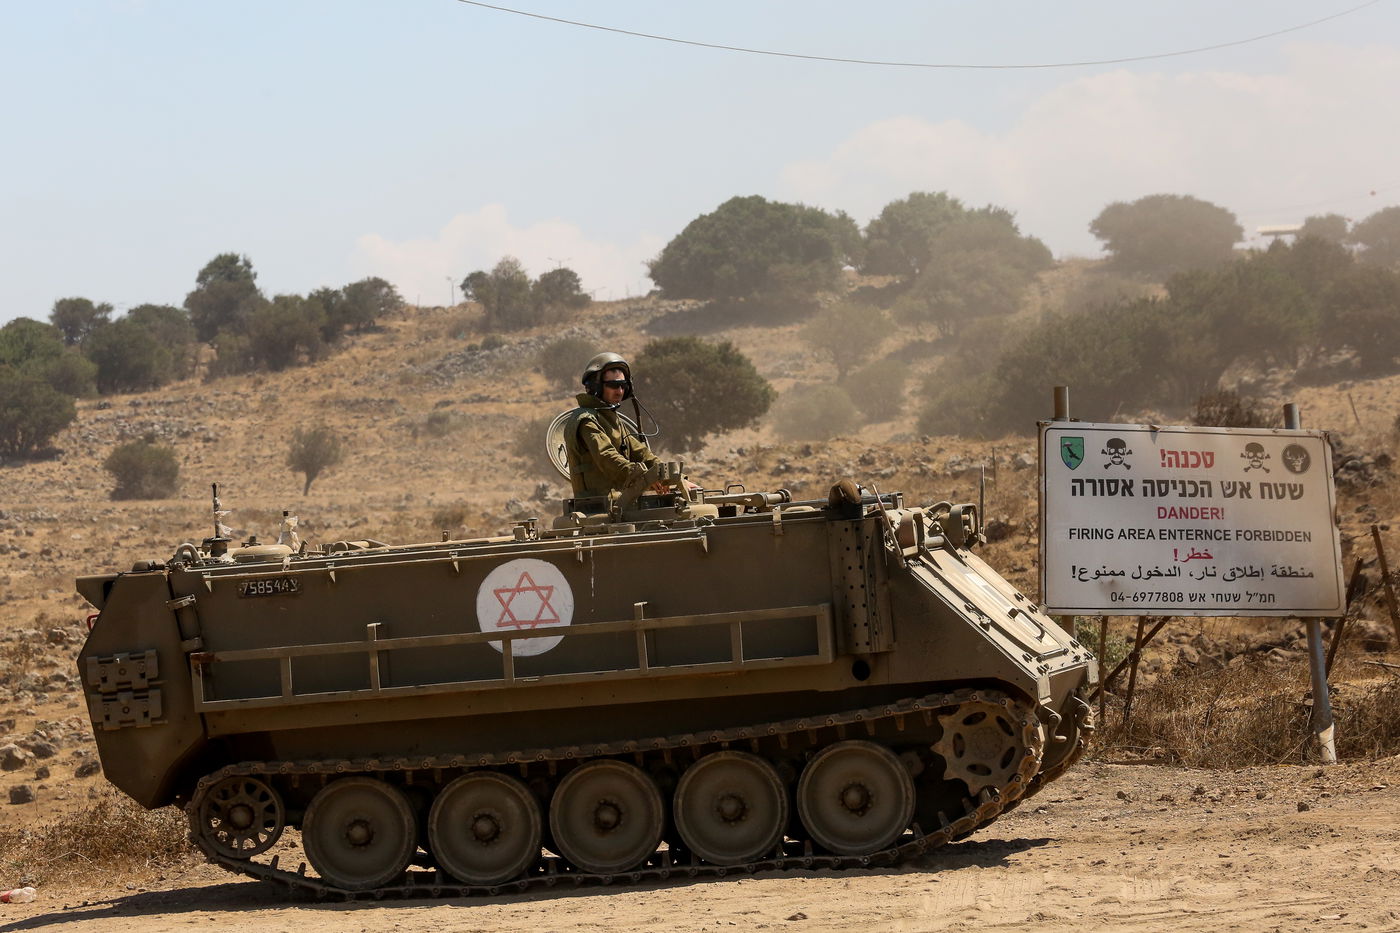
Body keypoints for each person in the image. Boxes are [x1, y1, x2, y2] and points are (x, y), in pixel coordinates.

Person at [562, 352, 660, 498]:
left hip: (623, 502)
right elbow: (607, 457)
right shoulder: (586, 421)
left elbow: (641, 453)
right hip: (597, 506)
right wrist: (645, 477)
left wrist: (668, 475)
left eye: (623, 385)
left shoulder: (612, 419)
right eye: (614, 385)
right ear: (595, 386)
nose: (620, 391)